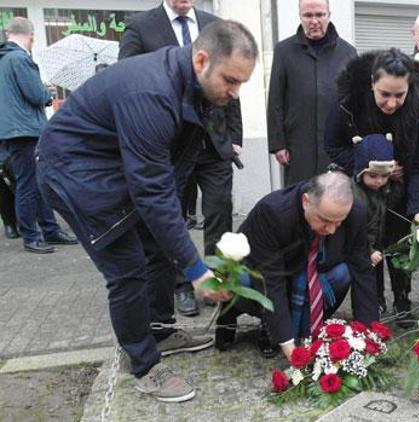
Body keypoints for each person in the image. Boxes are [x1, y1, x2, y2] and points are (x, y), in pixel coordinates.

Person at [37, 20, 257, 402]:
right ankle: (143, 364)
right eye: (231, 80)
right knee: (126, 269)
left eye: (242, 83)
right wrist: (196, 269)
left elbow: (171, 173)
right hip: (75, 173)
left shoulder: (193, 84)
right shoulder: (150, 93)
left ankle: (158, 330)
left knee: (157, 250)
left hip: (111, 166)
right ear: (201, 59)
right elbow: (152, 192)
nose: (235, 93)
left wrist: (179, 250)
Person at [119, 0, 244, 317]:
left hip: (214, 144)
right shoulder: (140, 27)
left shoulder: (215, 25)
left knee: (219, 213)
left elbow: (232, 81)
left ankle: (216, 280)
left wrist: (235, 137)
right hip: (170, 147)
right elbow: (129, 82)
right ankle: (182, 286)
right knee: (172, 216)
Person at [324, 48, 419, 326]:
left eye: (399, 95)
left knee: (399, 244)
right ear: (371, 84)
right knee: (367, 244)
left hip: (403, 186)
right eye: (384, 94)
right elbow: (332, 145)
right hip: (362, 189)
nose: (391, 103)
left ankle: (403, 299)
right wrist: (369, 167)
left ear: (409, 87)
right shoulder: (347, 102)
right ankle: (372, 300)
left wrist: (418, 209)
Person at [214, 171, 380, 362]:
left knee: (343, 273)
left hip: (314, 274)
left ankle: (306, 323)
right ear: (306, 202)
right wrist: (288, 344)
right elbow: (270, 279)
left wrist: (369, 334)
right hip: (263, 272)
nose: (332, 230)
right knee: (239, 280)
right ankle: (240, 316)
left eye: (339, 223)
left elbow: (362, 269)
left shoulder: (354, 211)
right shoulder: (272, 212)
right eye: (325, 220)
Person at [0, 17, 78, 254]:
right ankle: (32, 236)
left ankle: (50, 230)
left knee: (36, 182)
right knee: (29, 185)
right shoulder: (20, 58)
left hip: (14, 130)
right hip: (27, 130)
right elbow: (36, 95)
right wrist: (47, 91)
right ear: (31, 36)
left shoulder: (4, 59)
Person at [267, 0, 357, 186]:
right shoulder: (284, 51)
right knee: (298, 198)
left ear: (328, 15)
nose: (314, 21)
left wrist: (355, 143)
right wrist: (278, 144)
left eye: (319, 15)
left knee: (334, 197)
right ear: (300, 16)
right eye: (308, 15)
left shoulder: (348, 53)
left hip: (335, 145)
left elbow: (355, 102)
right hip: (298, 145)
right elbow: (276, 100)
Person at [350, 133, 398, 313]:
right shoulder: (356, 196)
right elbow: (356, 230)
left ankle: (377, 302)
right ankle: (365, 312)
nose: (379, 181)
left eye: (384, 176)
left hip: (376, 243)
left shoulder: (383, 189)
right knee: (364, 280)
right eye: (373, 176)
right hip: (362, 248)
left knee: (376, 275)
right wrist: (368, 250)